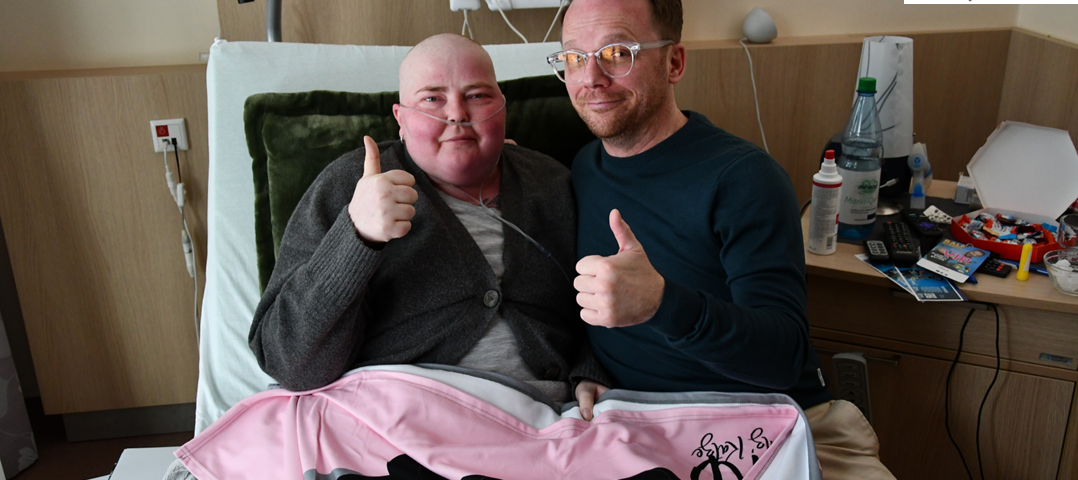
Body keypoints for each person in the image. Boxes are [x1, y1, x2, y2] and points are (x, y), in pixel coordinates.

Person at [552, 1, 896, 478]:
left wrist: (660, 303)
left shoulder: (744, 178)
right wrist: (586, 367)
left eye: (617, 53)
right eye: (574, 57)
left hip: (774, 425)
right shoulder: (582, 169)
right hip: (642, 428)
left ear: (674, 62)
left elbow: (784, 357)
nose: (591, 78)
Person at [248, 33, 610, 414]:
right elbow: (289, 363)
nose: (457, 114)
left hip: (546, 420)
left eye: (477, 95)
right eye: (432, 99)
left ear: (502, 108)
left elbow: (604, 301)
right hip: (393, 420)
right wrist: (356, 237)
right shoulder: (348, 185)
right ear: (400, 119)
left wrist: (592, 369)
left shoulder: (554, 184)